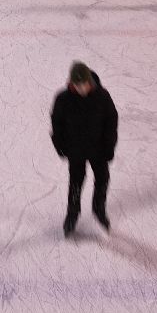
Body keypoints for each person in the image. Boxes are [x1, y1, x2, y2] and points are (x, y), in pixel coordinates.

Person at [50, 61, 118, 236]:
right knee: (75, 183)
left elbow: (111, 122)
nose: (82, 88)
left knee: (103, 179)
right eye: (77, 85)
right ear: (71, 83)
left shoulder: (102, 97)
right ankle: (72, 214)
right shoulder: (63, 99)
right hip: (76, 150)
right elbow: (56, 124)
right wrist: (60, 146)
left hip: (99, 149)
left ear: (90, 81)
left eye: (84, 84)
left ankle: (98, 208)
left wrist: (109, 146)